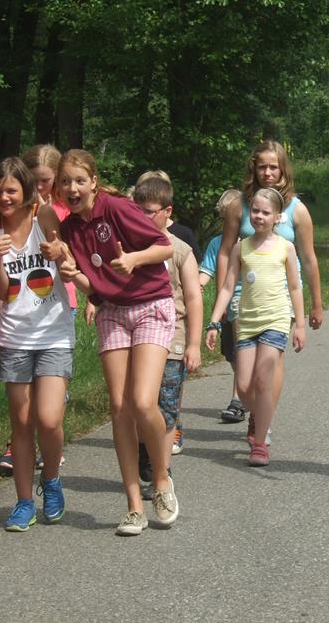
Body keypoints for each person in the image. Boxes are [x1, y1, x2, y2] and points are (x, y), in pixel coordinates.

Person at [42, 149, 178, 536]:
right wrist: (72, 274)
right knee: (119, 407)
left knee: (142, 402)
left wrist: (134, 259)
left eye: (79, 180)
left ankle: (162, 480)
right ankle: (134, 506)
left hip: (151, 304)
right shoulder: (69, 230)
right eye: (65, 182)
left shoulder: (116, 208)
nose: (72, 188)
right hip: (113, 311)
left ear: (94, 183)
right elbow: (93, 287)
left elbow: (165, 247)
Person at [0, 157, 75, 531]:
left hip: (54, 334)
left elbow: (69, 259)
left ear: (26, 190)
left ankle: (50, 479)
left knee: (49, 419)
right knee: (21, 423)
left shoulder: (45, 217)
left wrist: (60, 252)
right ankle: (24, 503)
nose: (4, 198)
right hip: (15, 337)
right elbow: (0, 292)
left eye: (11, 190)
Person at [215, 140, 324, 430]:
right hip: (242, 294)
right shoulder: (239, 206)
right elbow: (225, 252)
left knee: (271, 362)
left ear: (283, 170)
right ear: (254, 169)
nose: (267, 172)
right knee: (245, 365)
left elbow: (309, 259)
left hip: (281, 295)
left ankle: (262, 424)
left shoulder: (297, 210)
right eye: (262, 166)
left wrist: (316, 304)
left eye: (273, 167)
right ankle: (255, 409)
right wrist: (220, 300)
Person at [206, 188, 306, 466]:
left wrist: (300, 324)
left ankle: (260, 443)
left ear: (277, 217)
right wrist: (214, 321)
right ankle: (259, 415)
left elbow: (295, 287)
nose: (259, 216)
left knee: (263, 379)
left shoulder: (285, 248)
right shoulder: (241, 247)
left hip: (276, 319)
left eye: (265, 212)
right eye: (255, 211)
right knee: (243, 385)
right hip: (247, 321)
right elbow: (228, 287)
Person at [132, 176, 203, 493]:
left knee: (166, 407)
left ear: (167, 211)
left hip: (173, 339)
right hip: (139, 338)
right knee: (140, 404)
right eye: (138, 211)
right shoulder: (129, 247)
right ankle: (145, 454)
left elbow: (193, 298)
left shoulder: (180, 250)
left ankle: (163, 471)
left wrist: (193, 344)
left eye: (150, 211)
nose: (143, 217)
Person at [197, 189, 246, 423]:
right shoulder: (216, 244)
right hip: (225, 308)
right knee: (233, 356)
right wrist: (194, 287)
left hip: (248, 305)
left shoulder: (253, 242)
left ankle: (238, 400)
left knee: (243, 353)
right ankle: (246, 391)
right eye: (225, 218)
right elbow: (206, 272)